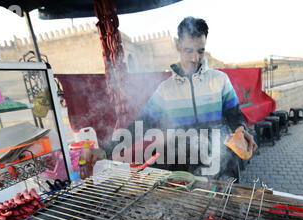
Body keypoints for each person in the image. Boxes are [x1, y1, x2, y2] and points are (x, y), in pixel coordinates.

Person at [96, 17, 257, 181]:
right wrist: (105, 150)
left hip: (223, 161)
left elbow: (234, 115)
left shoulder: (220, 80)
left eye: (200, 51)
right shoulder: (166, 90)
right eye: (189, 50)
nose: (195, 58)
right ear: (177, 45)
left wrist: (240, 130)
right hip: (185, 165)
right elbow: (141, 125)